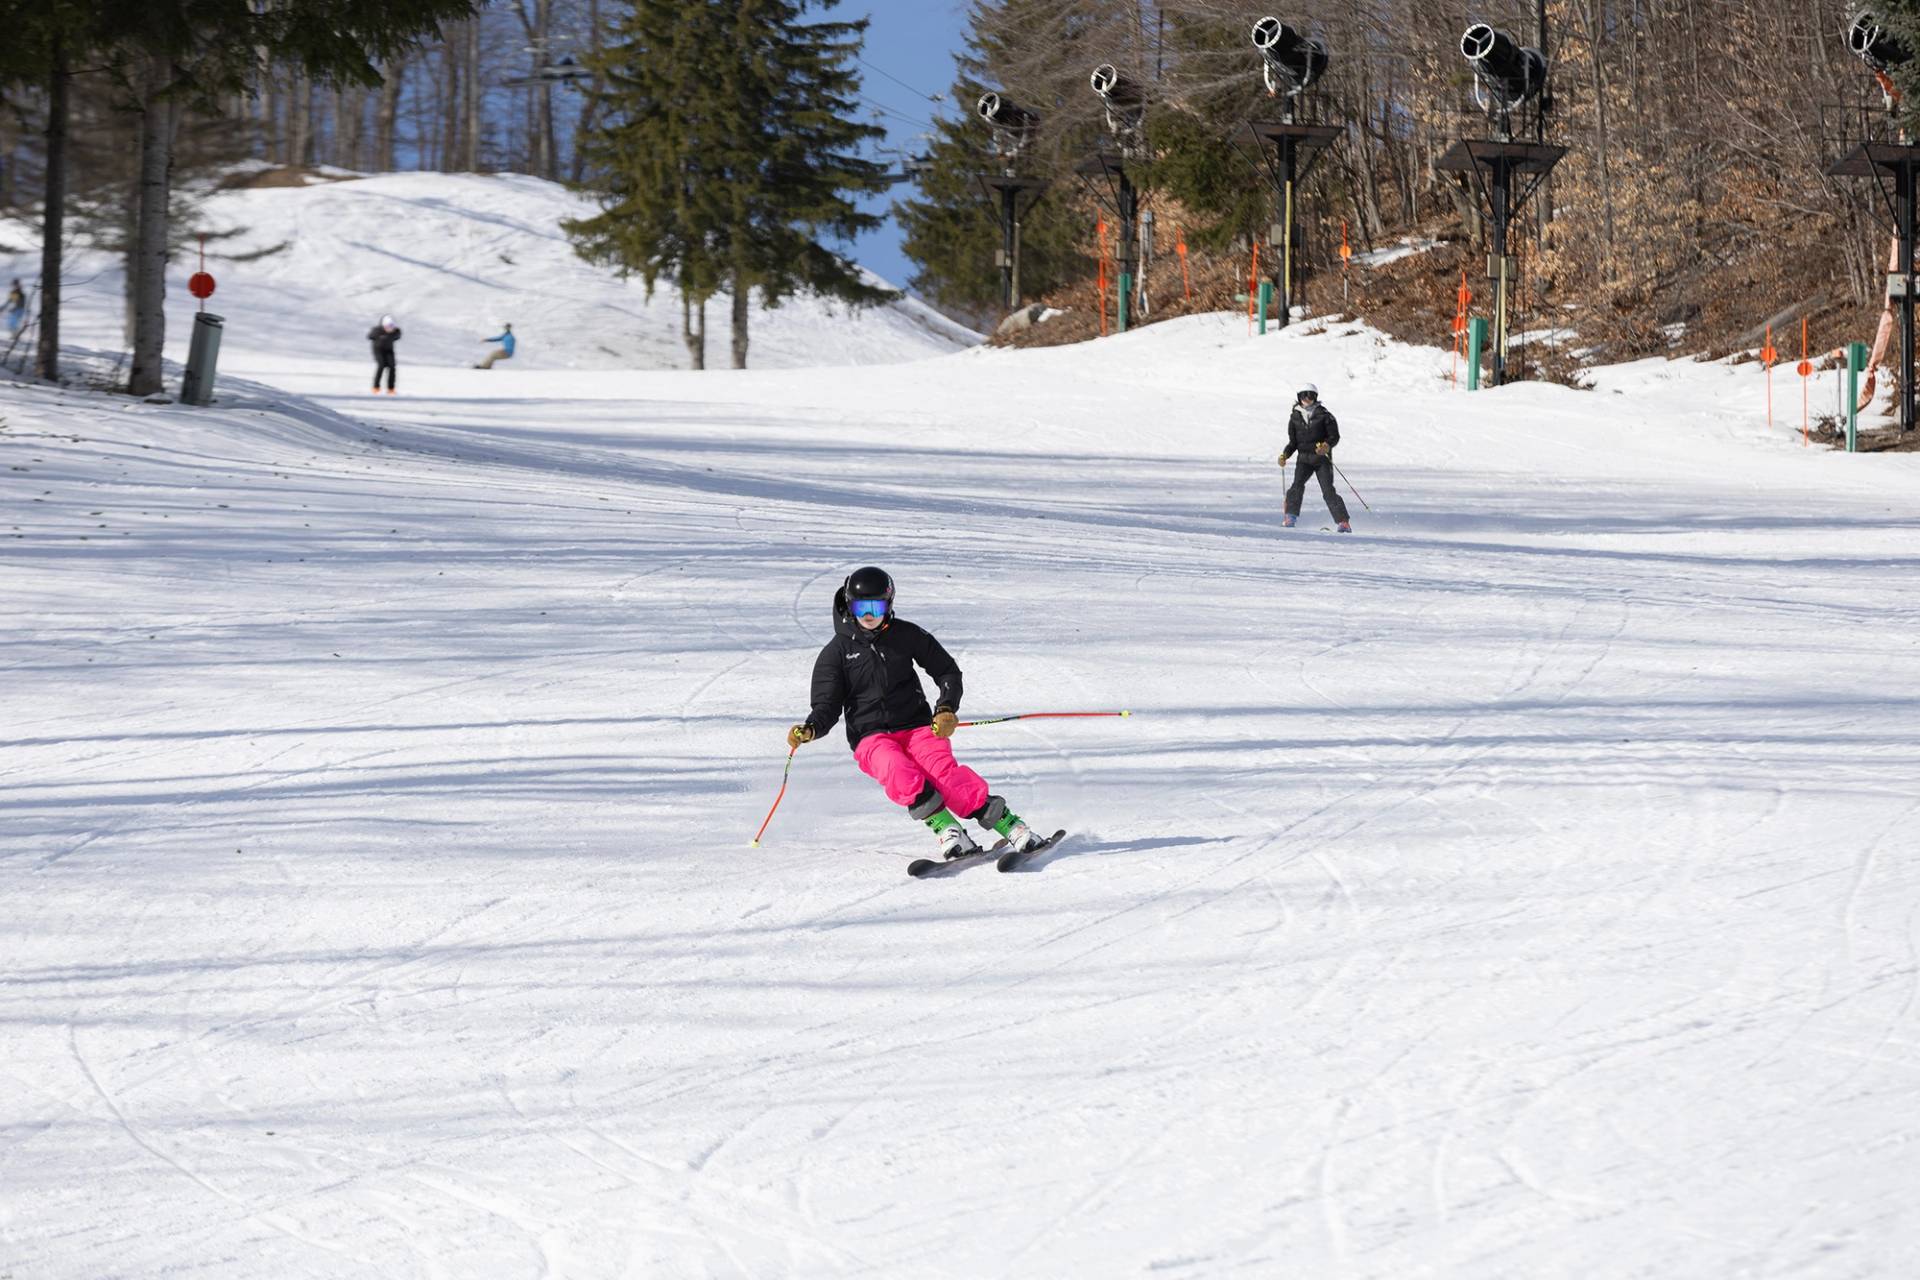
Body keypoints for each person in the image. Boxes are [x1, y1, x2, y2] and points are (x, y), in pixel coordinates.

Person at [787, 566, 1052, 860]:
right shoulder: (835, 653)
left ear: (889, 604)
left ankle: (1011, 826)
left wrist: (946, 709)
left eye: (877, 606)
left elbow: (946, 671)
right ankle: (947, 829)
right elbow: (826, 704)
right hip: (870, 736)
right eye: (862, 606)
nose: (869, 615)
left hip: (917, 727)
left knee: (945, 778)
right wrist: (811, 728)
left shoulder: (906, 635)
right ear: (850, 605)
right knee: (897, 771)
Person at [1279, 382, 1351, 532]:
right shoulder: (1294, 417)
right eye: (1304, 395)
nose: (1307, 399)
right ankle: (1290, 517)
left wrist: (1326, 446)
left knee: (1328, 490)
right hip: (1304, 459)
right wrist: (1285, 455)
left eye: (1311, 395)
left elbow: (1334, 436)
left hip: (1321, 460)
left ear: (1315, 397)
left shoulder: (1325, 415)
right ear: (1299, 397)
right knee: (1296, 488)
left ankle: (1343, 522)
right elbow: (1293, 442)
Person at [367, 315, 401, 394]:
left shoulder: (395, 331)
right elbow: (369, 336)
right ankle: (376, 387)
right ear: (383, 325)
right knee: (381, 365)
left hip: (389, 350)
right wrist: (377, 336)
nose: (390, 328)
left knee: (392, 367)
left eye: (391, 326)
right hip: (378, 350)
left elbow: (398, 336)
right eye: (388, 326)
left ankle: (391, 388)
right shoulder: (377, 330)